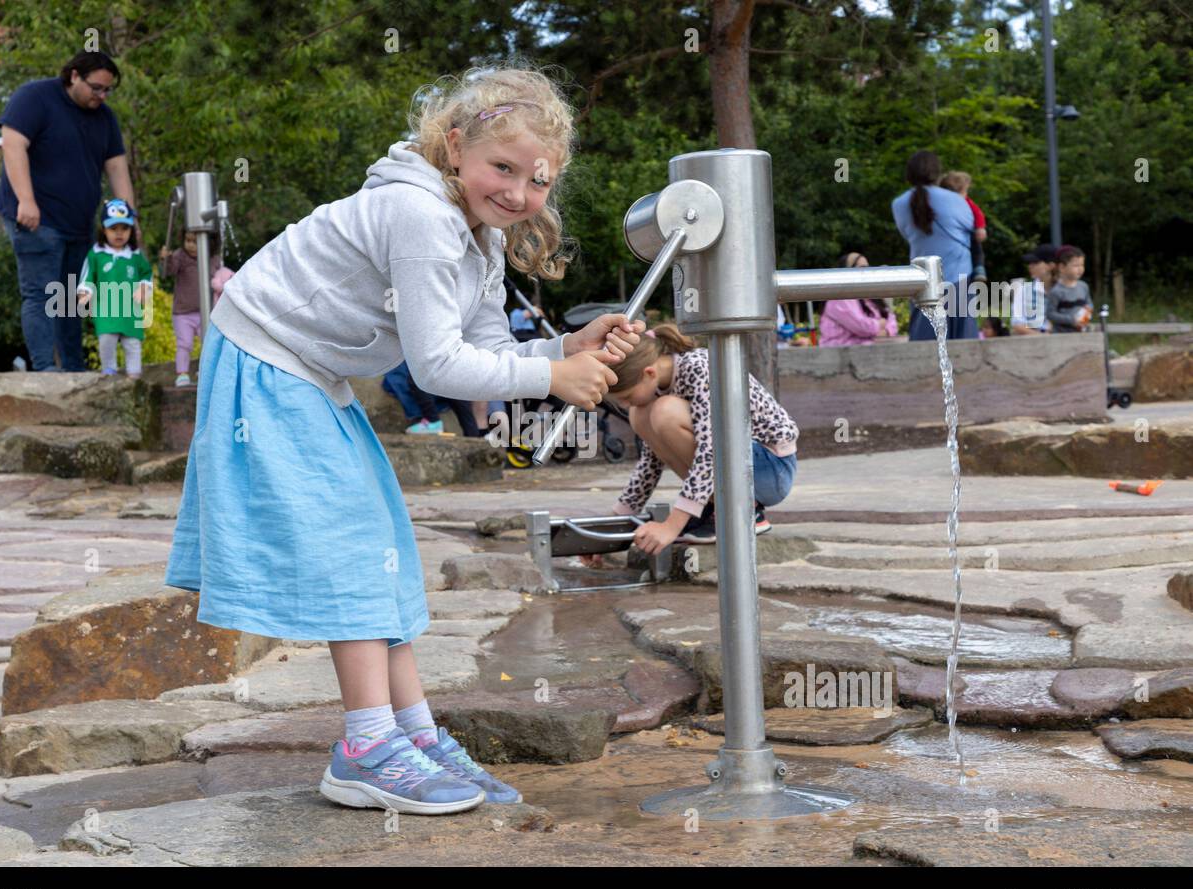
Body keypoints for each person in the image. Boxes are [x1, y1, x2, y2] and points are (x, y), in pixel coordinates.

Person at [164, 63, 642, 814]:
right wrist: (554, 382)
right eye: (502, 168)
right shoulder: (419, 217)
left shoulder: (481, 238)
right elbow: (439, 365)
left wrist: (564, 349)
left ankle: (410, 730)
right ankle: (364, 747)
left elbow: (490, 349)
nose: (519, 193)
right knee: (350, 545)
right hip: (266, 362)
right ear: (456, 148)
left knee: (383, 541)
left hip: (309, 372)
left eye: (539, 180)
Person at [582, 323, 798, 561]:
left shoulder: (700, 368)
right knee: (641, 415)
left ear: (649, 373)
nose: (624, 405)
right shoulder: (659, 388)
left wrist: (672, 525)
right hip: (740, 466)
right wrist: (611, 526)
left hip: (770, 467)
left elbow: (710, 451)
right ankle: (713, 507)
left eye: (627, 397)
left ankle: (742, 510)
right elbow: (650, 464)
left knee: (663, 412)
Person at [0, 51, 137, 372]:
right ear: (74, 76)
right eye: (96, 88)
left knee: (71, 298)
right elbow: (12, 143)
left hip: (77, 224)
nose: (101, 96)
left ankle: (73, 370)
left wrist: (128, 218)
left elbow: (116, 167)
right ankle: (45, 371)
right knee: (42, 294)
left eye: (107, 90)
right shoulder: (35, 97)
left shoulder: (105, 118)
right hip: (36, 219)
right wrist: (26, 200)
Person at [890, 150, 977, 340]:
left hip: (922, 280)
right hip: (957, 277)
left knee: (925, 342)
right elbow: (972, 228)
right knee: (963, 343)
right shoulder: (955, 200)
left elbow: (906, 234)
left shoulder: (898, 204)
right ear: (937, 173)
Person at [75, 200, 151, 378]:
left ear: (131, 231)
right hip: (106, 309)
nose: (119, 233)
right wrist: (85, 290)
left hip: (130, 309)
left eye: (124, 228)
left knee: (132, 343)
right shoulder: (97, 253)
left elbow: (146, 273)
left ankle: (134, 376)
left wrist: (143, 288)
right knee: (106, 341)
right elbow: (88, 274)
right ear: (103, 229)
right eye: (113, 228)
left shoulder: (135, 255)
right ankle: (109, 371)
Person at [159, 231, 221, 387]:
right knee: (184, 344)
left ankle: (206, 372)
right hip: (183, 312)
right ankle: (182, 373)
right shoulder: (180, 256)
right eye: (188, 240)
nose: (191, 245)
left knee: (209, 343)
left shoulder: (213, 259)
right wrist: (165, 259)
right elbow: (167, 272)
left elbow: (221, 278)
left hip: (206, 312)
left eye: (195, 241)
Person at [818, 252, 898, 346]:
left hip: (865, 351)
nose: (866, 272)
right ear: (846, 270)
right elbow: (862, 328)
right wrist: (880, 324)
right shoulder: (838, 298)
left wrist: (886, 331)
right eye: (862, 268)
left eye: (868, 268)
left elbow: (893, 323)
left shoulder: (870, 297)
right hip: (839, 354)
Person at [939, 171, 987, 281]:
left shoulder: (967, 202)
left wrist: (980, 227)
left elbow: (978, 213)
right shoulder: (943, 204)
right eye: (964, 191)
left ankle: (979, 268)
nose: (966, 194)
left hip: (968, 235)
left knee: (976, 247)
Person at [1009, 243, 1057, 335]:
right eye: (1030, 263)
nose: (1030, 266)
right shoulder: (1023, 290)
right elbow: (1017, 324)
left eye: (1035, 263)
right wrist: (1043, 338)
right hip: (1034, 343)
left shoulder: (1065, 289)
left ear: (1051, 265)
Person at [1046, 245, 1093, 334]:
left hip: (1082, 333)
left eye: (1082, 265)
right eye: (1076, 265)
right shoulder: (1056, 291)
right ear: (1062, 267)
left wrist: (1086, 315)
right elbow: (1050, 314)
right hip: (1062, 336)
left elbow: (1089, 304)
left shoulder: (1083, 286)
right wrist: (1071, 320)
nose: (1080, 269)